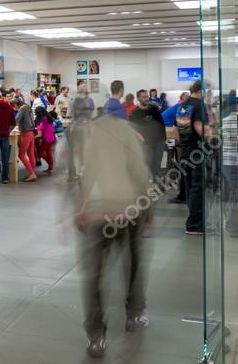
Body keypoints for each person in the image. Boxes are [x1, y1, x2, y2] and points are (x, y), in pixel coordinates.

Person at [76, 116, 152, 358]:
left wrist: (82, 207)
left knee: (94, 274)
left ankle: (96, 336)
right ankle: (135, 313)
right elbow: (139, 171)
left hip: (98, 212)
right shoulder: (128, 133)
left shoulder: (90, 134)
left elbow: (86, 173)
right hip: (127, 208)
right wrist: (147, 205)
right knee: (133, 263)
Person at [176, 80, 209, 235]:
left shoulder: (183, 104)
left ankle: (194, 221)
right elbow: (199, 127)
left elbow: (178, 128)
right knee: (198, 187)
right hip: (197, 151)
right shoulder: (198, 105)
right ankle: (195, 224)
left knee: (190, 188)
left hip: (185, 149)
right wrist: (212, 134)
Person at [129, 90, 166, 180]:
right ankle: (147, 185)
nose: (146, 99)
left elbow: (161, 124)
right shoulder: (135, 113)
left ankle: (158, 185)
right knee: (147, 163)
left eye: (147, 96)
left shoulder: (154, 109)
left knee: (156, 165)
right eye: (144, 97)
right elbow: (131, 128)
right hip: (146, 143)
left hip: (159, 141)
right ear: (138, 98)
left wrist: (163, 139)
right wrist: (137, 135)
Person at [162, 92, 190, 201]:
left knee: (172, 154)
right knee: (175, 153)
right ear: (182, 98)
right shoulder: (181, 107)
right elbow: (179, 126)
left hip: (168, 129)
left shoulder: (180, 106)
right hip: (167, 130)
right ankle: (173, 177)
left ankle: (173, 176)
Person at [221, 106, 238, 236]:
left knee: (228, 189)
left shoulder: (223, 122)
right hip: (237, 160)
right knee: (234, 190)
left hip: (225, 159)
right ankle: (230, 222)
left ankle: (227, 217)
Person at [67, 88, 95, 182]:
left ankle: (74, 174)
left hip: (76, 129)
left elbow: (70, 115)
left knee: (73, 153)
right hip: (84, 129)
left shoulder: (74, 102)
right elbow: (91, 116)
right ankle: (81, 174)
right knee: (82, 152)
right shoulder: (89, 102)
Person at [15, 97, 38, 182]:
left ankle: (32, 174)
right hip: (31, 132)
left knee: (21, 155)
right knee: (30, 153)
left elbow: (16, 119)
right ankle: (32, 172)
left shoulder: (21, 109)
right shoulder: (27, 107)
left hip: (26, 133)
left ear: (16, 104)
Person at [35, 106, 56, 174]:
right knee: (48, 152)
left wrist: (34, 136)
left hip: (46, 139)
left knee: (39, 152)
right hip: (51, 138)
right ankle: (50, 167)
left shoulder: (43, 119)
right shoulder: (48, 117)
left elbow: (39, 131)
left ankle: (50, 164)